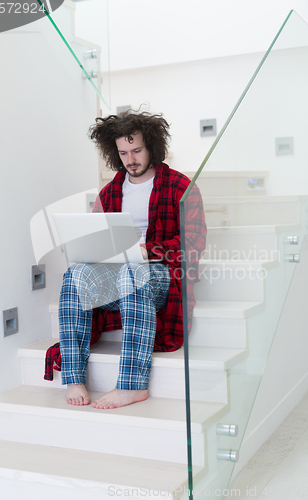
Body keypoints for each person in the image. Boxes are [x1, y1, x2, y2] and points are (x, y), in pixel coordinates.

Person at [49, 110, 207, 409]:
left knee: (131, 273)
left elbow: (194, 243)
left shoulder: (179, 186)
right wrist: (86, 249)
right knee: (75, 273)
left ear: (152, 148)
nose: (130, 159)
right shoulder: (109, 192)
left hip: (159, 276)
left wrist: (148, 250)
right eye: (123, 152)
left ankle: (132, 386)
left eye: (137, 150)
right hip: (115, 273)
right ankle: (74, 376)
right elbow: (97, 238)